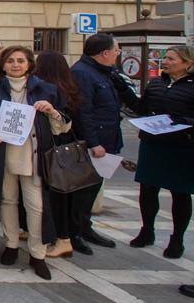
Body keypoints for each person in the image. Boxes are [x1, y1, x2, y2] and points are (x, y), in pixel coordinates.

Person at [0, 46, 70, 280]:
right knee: (7, 201)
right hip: (2, 156)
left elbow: (64, 125)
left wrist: (52, 112)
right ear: (2, 65)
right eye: (11, 61)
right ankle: (11, 244)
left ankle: (38, 253)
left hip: (33, 156)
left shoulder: (46, 89)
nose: (16, 65)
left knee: (36, 206)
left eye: (21, 61)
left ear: (29, 64)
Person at [69, 33, 134, 251]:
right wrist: (93, 142)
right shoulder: (82, 73)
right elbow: (83, 112)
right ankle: (74, 232)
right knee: (83, 190)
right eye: (116, 50)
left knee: (94, 188)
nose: (118, 54)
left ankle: (85, 227)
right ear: (104, 53)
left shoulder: (105, 73)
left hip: (108, 140)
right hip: (94, 144)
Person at [129, 45, 194, 259]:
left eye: (172, 59)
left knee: (180, 193)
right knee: (147, 189)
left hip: (181, 146)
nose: (165, 61)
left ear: (188, 63)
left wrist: (182, 121)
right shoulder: (156, 83)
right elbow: (142, 108)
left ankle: (177, 239)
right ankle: (147, 230)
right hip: (153, 142)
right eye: (165, 57)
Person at [37, 50, 91, 258]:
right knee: (64, 195)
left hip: (54, 150)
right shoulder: (71, 88)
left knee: (55, 196)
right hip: (66, 150)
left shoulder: (48, 91)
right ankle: (64, 236)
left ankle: (62, 239)